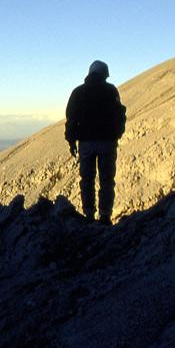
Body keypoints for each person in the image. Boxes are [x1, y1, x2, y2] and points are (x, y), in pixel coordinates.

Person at [64, 60, 126, 225]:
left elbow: (71, 119)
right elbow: (119, 114)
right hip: (107, 143)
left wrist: (71, 141)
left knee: (87, 179)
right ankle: (105, 215)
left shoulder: (78, 92)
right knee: (106, 180)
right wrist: (117, 135)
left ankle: (89, 214)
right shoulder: (111, 90)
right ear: (104, 74)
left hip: (86, 143)